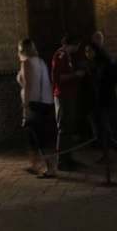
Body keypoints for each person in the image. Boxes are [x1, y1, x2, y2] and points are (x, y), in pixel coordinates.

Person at [17, 38, 56, 178]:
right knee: (36, 137)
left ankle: (49, 168)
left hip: (34, 104)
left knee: (39, 137)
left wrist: (25, 107)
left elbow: (28, 85)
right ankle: (36, 164)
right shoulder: (40, 61)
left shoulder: (26, 63)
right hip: (46, 102)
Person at [50, 36, 85, 168]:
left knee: (69, 128)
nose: (78, 49)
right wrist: (76, 75)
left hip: (68, 95)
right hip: (62, 96)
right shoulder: (60, 55)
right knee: (64, 128)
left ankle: (68, 158)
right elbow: (58, 78)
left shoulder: (67, 55)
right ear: (74, 44)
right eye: (78, 46)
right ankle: (62, 161)